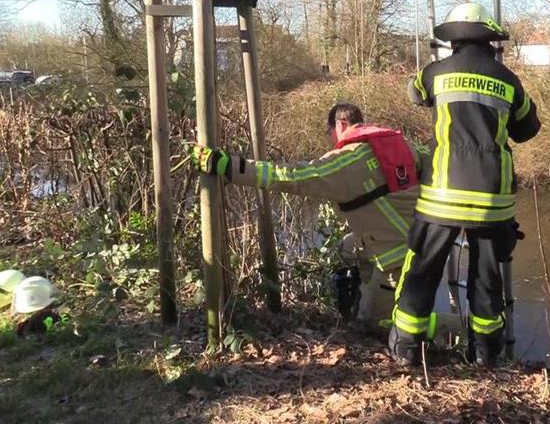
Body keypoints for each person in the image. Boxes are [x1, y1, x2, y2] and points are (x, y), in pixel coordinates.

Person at [191, 103, 459, 336]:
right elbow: (435, 166)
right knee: (347, 247)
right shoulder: (398, 144)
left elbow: (292, 176)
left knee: (381, 323)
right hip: (423, 238)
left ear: (341, 124)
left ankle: (458, 329)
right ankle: (372, 292)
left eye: (330, 131)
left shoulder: (347, 159)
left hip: (397, 255)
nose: (331, 139)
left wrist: (229, 167)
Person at [389, 3, 542, 366]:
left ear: (453, 40)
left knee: (422, 272)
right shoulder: (509, 81)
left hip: (441, 196)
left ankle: (407, 351)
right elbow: (528, 129)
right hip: (493, 201)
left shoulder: (435, 73)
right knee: (488, 280)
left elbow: (415, 95)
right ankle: (485, 357)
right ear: (489, 39)